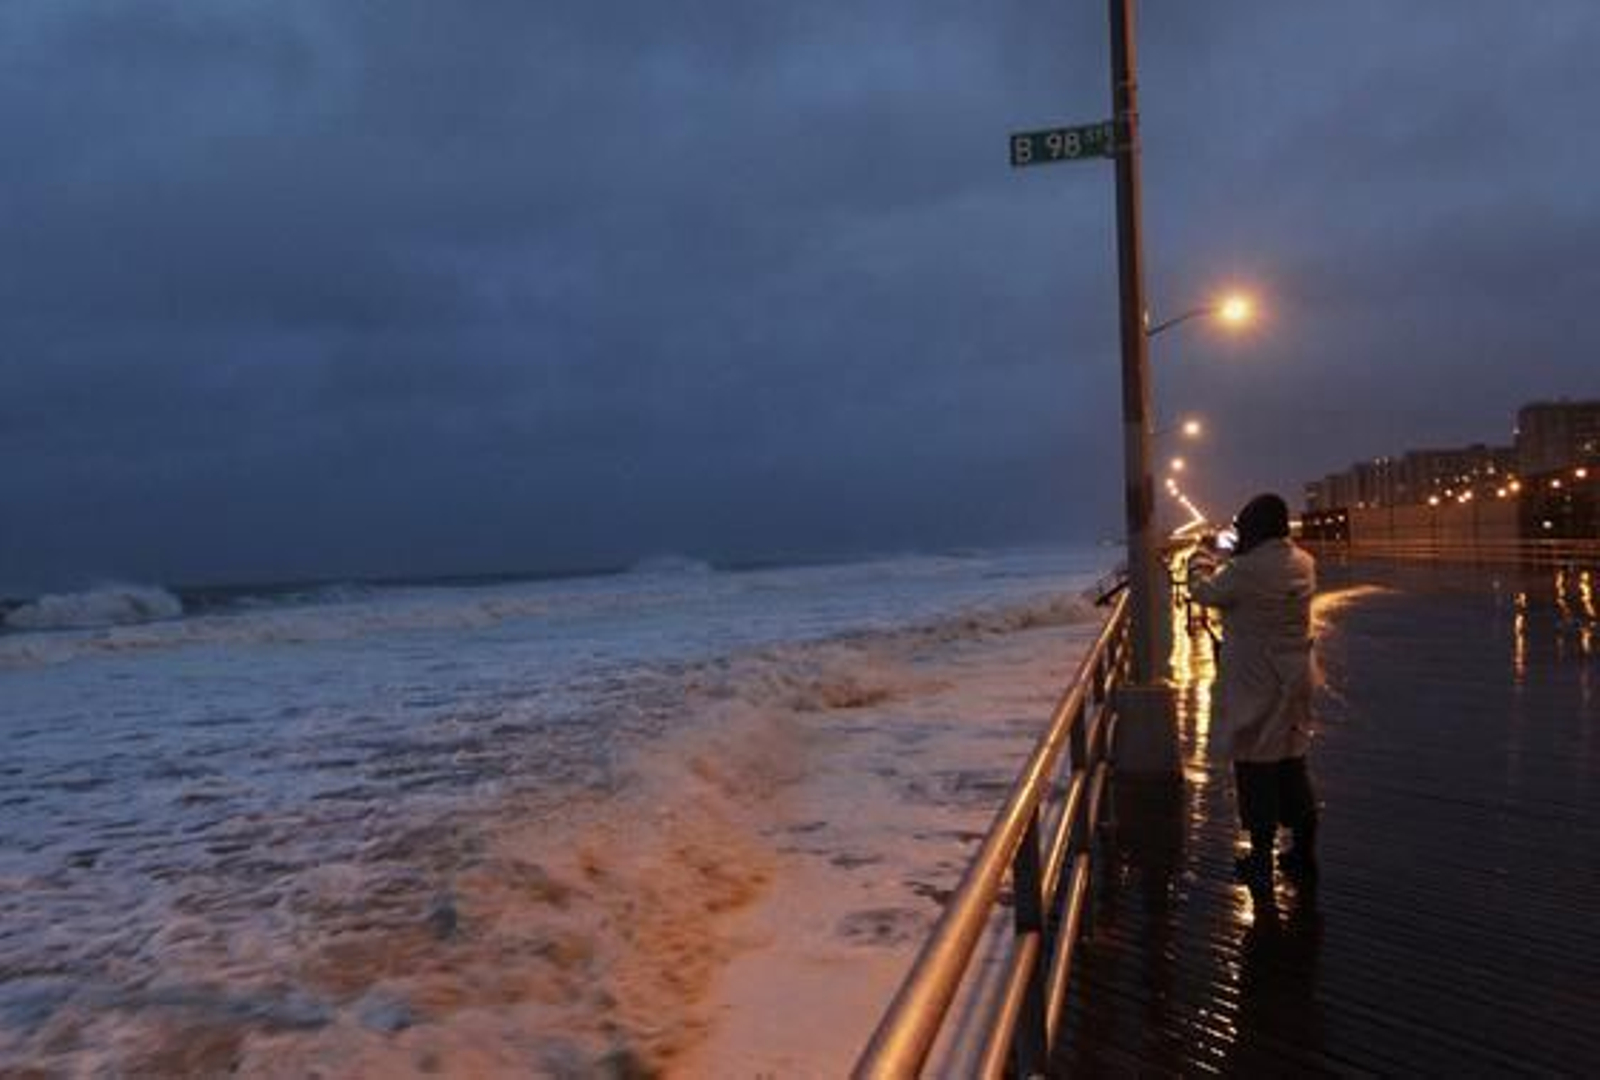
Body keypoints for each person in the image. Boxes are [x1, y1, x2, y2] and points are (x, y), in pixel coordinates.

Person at [1187, 493, 1320, 889]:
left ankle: (1260, 861)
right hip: (1295, 676)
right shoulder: (1304, 563)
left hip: (1255, 682)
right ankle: (1303, 853)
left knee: (1255, 768)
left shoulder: (1244, 570)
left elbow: (1204, 592)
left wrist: (1200, 558)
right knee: (1293, 762)